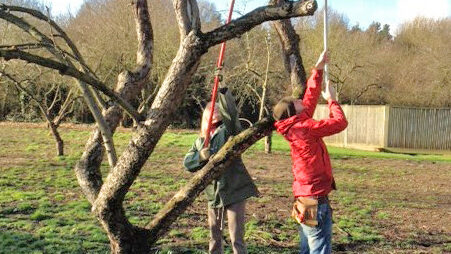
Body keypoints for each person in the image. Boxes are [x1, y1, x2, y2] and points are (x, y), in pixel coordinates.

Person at [272, 50, 348, 254]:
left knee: (307, 248)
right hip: (315, 199)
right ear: (293, 111)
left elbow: (311, 97)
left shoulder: (294, 125)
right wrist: (332, 100)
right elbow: (340, 123)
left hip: (305, 197)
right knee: (319, 249)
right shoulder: (304, 128)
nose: (301, 100)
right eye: (296, 102)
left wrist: (319, 67)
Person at [183, 86, 259, 254]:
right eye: (211, 110)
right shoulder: (200, 141)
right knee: (214, 237)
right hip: (213, 194)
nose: (214, 112)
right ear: (205, 116)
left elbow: (231, 116)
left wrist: (223, 93)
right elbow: (188, 163)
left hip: (235, 191)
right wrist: (201, 157)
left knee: (236, 238)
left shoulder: (229, 131)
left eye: (217, 110)